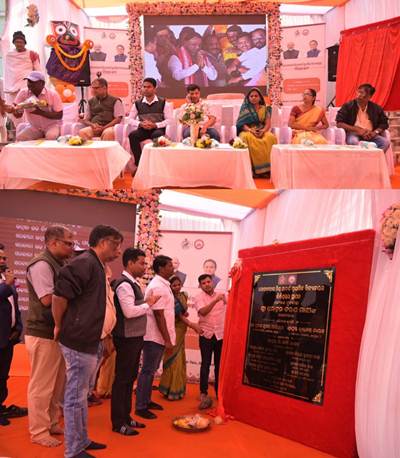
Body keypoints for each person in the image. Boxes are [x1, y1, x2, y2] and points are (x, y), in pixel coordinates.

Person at [52, 225, 123, 458]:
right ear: (102, 242)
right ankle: (73, 450)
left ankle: (81, 440)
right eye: (115, 245)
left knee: (81, 395)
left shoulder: (97, 265)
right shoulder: (85, 263)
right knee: (75, 397)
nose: (118, 251)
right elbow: (59, 296)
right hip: (79, 340)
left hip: (92, 340)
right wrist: (59, 325)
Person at [25, 226, 74, 447]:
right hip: (42, 332)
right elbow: (47, 299)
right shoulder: (41, 264)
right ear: (53, 242)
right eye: (68, 243)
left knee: (56, 384)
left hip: (55, 332)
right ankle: (38, 432)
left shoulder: (59, 263)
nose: (72, 247)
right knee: (42, 385)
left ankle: (52, 422)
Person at [111, 248, 161, 436]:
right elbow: (129, 312)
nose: (145, 266)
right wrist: (149, 303)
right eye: (141, 263)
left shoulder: (132, 283)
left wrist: (146, 302)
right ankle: (118, 423)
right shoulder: (124, 285)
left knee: (129, 378)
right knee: (122, 380)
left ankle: (126, 417)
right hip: (126, 338)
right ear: (130, 263)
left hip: (134, 337)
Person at [135, 255, 175, 420]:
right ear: (161, 268)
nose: (173, 268)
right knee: (147, 371)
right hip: (154, 336)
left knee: (151, 371)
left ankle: (146, 401)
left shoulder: (163, 284)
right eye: (170, 266)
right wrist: (167, 339)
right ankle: (140, 406)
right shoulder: (158, 286)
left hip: (157, 336)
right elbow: (159, 315)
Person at [159, 276, 202, 400]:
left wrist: (185, 313)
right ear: (170, 287)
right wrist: (193, 325)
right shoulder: (170, 298)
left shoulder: (183, 295)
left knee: (180, 357)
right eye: (174, 285)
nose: (177, 287)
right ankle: (171, 389)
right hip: (174, 329)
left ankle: (175, 388)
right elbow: (180, 316)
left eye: (179, 284)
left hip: (181, 330)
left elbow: (182, 313)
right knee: (173, 359)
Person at [0, 244, 26, 427]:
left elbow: (14, 305)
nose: (3, 261)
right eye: (0, 258)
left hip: (8, 337)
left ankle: (1, 406)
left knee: (3, 376)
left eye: (4, 258)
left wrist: (18, 327)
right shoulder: (6, 282)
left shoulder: (5, 278)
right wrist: (7, 285)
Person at [194, 274, 226, 409]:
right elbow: (203, 312)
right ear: (200, 285)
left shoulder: (222, 295)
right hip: (206, 335)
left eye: (208, 282)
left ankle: (219, 392)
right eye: (203, 283)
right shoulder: (198, 297)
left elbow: (232, 307)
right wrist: (215, 301)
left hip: (220, 335)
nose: (207, 284)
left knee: (219, 365)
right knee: (205, 364)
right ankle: (203, 392)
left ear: (212, 282)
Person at [128, 78, 172, 166]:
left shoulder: (163, 103)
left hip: (157, 129)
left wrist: (155, 125)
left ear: (155, 89)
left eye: (149, 87)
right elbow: (129, 119)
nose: (146, 89)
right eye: (144, 87)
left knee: (157, 135)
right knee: (133, 135)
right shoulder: (137, 103)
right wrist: (140, 124)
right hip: (143, 129)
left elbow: (170, 120)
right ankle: (139, 163)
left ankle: (157, 163)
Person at [336, 83, 390, 152]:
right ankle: (361, 158)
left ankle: (373, 158)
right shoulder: (348, 106)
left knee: (385, 143)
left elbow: (384, 123)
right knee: (353, 142)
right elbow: (339, 123)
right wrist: (357, 130)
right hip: (354, 133)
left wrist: (375, 132)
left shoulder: (376, 108)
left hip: (370, 134)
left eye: (364, 95)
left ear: (370, 97)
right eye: (359, 92)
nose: (359, 96)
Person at [236, 88, 277, 177]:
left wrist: (263, 131)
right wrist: (251, 130)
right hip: (248, 130)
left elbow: (268, 124)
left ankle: (267, 170)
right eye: (251, 96)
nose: (253, 98)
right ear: (248, 98)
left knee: (270, 137)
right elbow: (242, 124)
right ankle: (253, 170)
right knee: (247, 138)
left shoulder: (265, 109)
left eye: (256, 96)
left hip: (262, 129)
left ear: (260, 98)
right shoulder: (245, 109)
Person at [11, 71, 63, 141]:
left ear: (42, 83)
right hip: (34, 127)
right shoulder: (23, 93)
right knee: (21, 138)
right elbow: (18, 115)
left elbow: (59, 115)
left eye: (33, 81)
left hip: (51, 126)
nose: (30, 84)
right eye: (28, 81)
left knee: (51, 137)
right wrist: (16, 111)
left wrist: (40, 112)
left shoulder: (52, 94)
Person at [4, 31, 40, 126]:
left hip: (26, 85)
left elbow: (38, 70)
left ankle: (30, 128)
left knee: (28, 108)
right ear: (14, 43)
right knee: (14, 110)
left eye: (21, 42)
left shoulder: (32, 54)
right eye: (17, 42)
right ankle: (18, 129)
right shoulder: (9, 55)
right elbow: (8, 72)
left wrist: (37, 84)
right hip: (12, 88)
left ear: (24, 43)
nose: (19, 44)